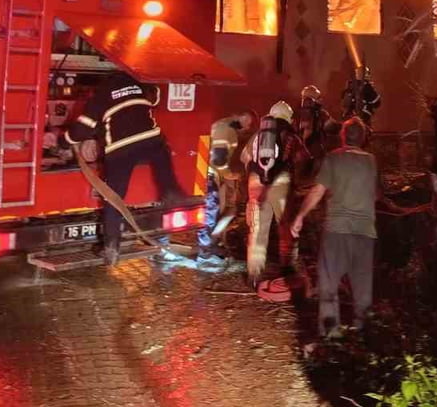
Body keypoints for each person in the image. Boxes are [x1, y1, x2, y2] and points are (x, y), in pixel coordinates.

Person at [62, 71, 188, 266]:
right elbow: (155, 95)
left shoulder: (102, 94)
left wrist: (63, 142)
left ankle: (111, 248)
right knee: (162, 157)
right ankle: (170, 189)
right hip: (150, 139)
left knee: (114, 198)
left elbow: (82, 129)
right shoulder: (138, 86)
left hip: (120, 150)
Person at [291, 117, 392, 336]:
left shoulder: (333, 159)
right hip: (365, 232)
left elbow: (317, 191)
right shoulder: (371, 161)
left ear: (343, 136)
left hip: (337, 231)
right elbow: (377, 194)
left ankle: (331, 336)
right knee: (362, 288)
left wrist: (300, 216)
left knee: (329, 285)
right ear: (363, 138)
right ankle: (361, 334)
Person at [245, 100, 303, 287]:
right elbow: (302, 159)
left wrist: (257, 174)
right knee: (286, 226)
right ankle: (287, 269)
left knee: (257, 229)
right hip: (281, 183)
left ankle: (254, 274)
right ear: (288, 117)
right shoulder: (290, 135)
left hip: (256, 182)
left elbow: (244, 157)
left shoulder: (258, 135)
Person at [197, 109, 257, 265]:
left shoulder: (222, 125)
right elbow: (218, 158)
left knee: (214, 211)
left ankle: (210, 244)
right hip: (210, 174)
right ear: (242, 118)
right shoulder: (226, 130)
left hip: (207, 173)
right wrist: (228, 174)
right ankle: (205, 249)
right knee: (210, 212)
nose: (246, 128)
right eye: (247, 124)